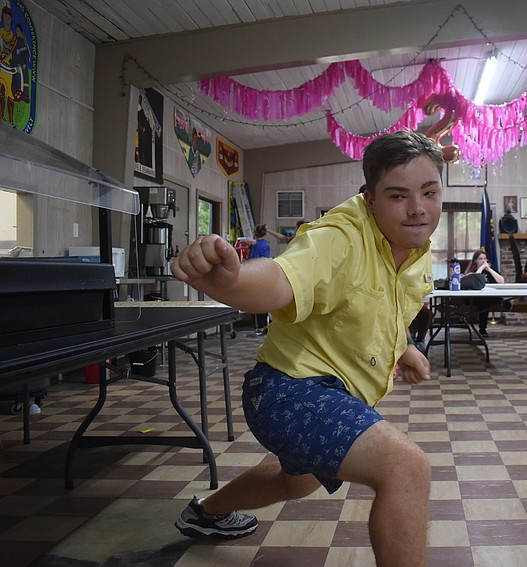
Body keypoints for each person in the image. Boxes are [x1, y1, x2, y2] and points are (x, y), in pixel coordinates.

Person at [170, 130, 442, 567]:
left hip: (330, 392)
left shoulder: (415, 244)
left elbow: (384, 303)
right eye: (398, 196)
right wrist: (232, 281)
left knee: (297, 482)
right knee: (407, 468)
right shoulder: (340, 236)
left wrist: (403, 347)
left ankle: (205, 514)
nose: (418, 209)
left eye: (429, 192)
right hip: (286, 391)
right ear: (370, 199)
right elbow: (281, 277)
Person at [463, 249, 505, 336]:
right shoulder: (471, 271)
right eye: (480, 259)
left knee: (485, 302)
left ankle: (482, 329)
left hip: (486, 297)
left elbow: (501, 281)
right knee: (485, 302)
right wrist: (481, 268)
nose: (483, 261)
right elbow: (474, 280)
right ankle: (482, 329)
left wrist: (489, 269)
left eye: (485, 259)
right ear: (475, 260)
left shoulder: (490, 270)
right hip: (472, 297)